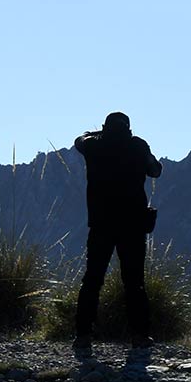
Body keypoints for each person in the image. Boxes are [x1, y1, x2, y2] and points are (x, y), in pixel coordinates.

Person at [73, 111, 162, 349]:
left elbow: (78, 140)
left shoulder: (94, 146)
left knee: (92, 279)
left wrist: (96, 133)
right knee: (134, 282)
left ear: (105, 127)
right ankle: (140, 336)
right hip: (133, 226)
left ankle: (83, 335)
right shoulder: (137, 146)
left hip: (101, 224)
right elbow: (156, 170)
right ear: (129, 129)